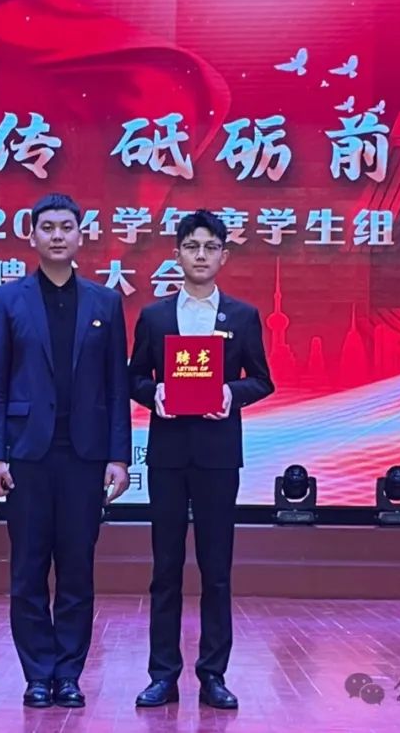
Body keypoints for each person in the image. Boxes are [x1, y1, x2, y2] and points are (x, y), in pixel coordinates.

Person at [0, 193, 131, 709]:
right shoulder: (8, 300)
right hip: (27, 456)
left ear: (80, 236)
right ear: (32, 237)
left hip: (84, 458)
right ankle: (37, 674)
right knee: (27, 570)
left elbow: (116, 388)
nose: (58, 235)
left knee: (76, 570)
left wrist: (119, 457)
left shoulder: (105, 303)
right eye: (48, 228)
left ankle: (68, 673)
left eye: (67, 227)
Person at [128, 209, 275, 710]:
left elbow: (262, 379)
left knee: (216, 570)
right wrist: (155, 394)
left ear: (224, 256)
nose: (201, 255)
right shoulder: (154, 317)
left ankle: (213, 675)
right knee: (165, 568)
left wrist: (231, 393)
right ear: (177, 255)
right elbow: (133, 378)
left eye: (211, 247)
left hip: (218, 457)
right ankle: (162, 675)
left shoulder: (242, 316)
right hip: (168, 456)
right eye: (192, 246)